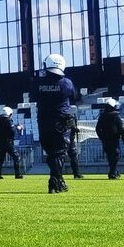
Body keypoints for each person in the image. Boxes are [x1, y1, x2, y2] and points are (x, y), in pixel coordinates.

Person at [35, 53, 76, 193]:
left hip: (43, 121)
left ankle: (58, 180)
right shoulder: (67, 83)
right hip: (61, 121)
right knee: (59, 152)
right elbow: (74, 96)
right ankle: (55, 179)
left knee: (51, 153)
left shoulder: (38, 82)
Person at [96, 98, 124, 179]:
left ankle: (114, 171)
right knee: (115, 156)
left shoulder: (102, 116)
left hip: (105, 140)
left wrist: (101, 137)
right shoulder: (116, 116)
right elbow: (121, 128)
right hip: (114, 139)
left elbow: (98, 129)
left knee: (110, 156)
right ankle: (112, 172)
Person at [0, 107, 23, 179]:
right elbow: (12, 130)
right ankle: (17, 174)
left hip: (1, 143)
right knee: (16, 156)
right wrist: (17, 128)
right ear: (9, 113)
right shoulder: (8, 120)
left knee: (0, 159)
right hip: (8, 142)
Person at [67, 113, 83, 179]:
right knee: (74, 157)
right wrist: (76, 129)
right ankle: (76, 173)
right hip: (70, 142)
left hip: (66, 141)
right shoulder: (70, 122)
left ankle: (76, 173)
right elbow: (73, 129)